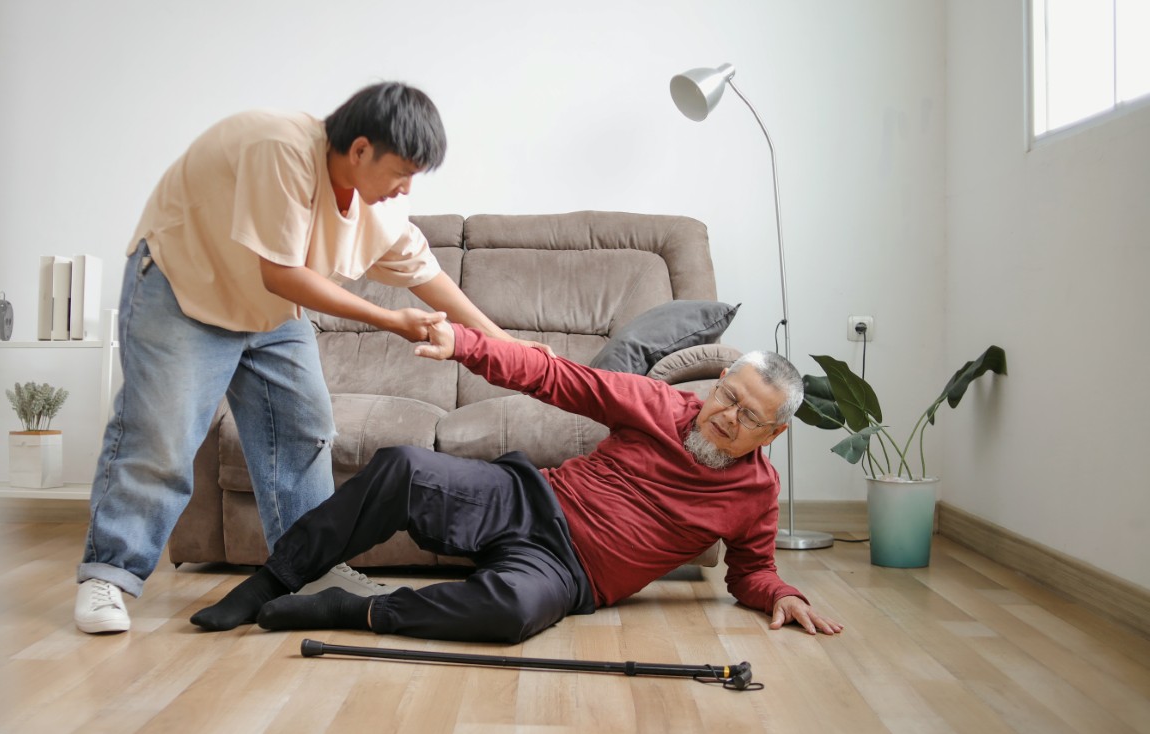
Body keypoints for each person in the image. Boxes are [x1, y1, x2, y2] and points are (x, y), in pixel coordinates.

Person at [75, 83, 535, 635]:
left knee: (304, 431)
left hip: (269, 314)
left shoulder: (378, 201)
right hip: (185, 289)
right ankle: (108, 576)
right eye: (401, 171)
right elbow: (281, 272)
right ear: (360, 149)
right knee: (163, 438)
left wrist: (502, 340)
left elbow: (424, 272)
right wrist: (390, 320)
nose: (406, 188)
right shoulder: (281, 148)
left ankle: (311, 570)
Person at [189, 320, 844, 642]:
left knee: (512, 612)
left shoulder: (755, 496)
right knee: (403, 466)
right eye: (723, 395)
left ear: (774, 433)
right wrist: (464, 343)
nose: (723, 416)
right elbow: (558, 378)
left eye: (746, 415)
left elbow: (749, 572)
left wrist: (776, 594)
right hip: (533, 499)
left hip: (571, 574)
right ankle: (272, 580)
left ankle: (354, 610)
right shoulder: (655, 403)